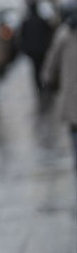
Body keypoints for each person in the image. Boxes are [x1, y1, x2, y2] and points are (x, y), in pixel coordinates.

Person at [41, 9, 77, 170]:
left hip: (71, 90)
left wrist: (47, 78)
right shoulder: (63, 35)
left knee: (74, 127)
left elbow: (52, 59)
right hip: (71, 89)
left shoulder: (63, 34)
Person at [18, 0, 54, 93]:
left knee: (35, 69)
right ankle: (42, 84)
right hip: (42, 50)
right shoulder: (41, 21)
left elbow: (22, 37)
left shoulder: (26, 22)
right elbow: (49, 33)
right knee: (42, 67)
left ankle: (39, 85)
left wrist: (25, 49)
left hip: (33, 51)